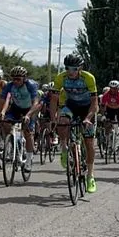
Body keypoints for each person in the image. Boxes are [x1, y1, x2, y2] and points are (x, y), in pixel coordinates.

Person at [49, 54, 99, 193]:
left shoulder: (88, 78)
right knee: (63, 121)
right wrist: (53, 119)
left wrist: (88, 118)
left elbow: (95, 103)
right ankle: (64, 148)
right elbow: (54, 100)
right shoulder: (61, 78)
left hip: (87, 108)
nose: (70, 72)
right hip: (71, 106)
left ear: (80, 68)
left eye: (74, 69)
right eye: (67, 68)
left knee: (89, 142)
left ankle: (90, 176)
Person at [0, 65, 41, 172]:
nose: (15, 81)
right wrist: (2, 112)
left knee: (27, 131)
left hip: (29, 109)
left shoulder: (30, 85)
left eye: (18, 79)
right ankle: (11, 144)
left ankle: (29, 160)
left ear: (24, 78)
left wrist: (28, 115)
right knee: (6, 123)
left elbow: (36, 103)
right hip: (16, 108)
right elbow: (6, 99)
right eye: (14, 79)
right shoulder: (10, 86)